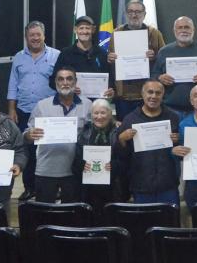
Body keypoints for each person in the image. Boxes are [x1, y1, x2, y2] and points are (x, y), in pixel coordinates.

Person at [7, 21, 60, 200]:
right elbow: (13, 84)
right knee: (27, 151)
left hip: (49, 112)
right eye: (32, 35)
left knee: (49, 150)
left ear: (44, 36)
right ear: (26, 37)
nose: (35, 38)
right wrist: (11, 109)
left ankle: (52, 187)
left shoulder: (56, 56)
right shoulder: (18, 57)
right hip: (24, 111)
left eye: (38, 34)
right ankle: (30, 188)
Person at [24, 66, 90, 204]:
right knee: (45, 215)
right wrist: (29, 135)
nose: (65, 82)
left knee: (72, 215)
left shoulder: (88, 105)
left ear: (75, 82)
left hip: (75, 170)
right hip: (46, 170)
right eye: (61, 79)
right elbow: (25, 136)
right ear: (56, 83)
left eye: (69, 79)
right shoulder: (42, 105)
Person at [114, 79, 181, 204]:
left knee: (170, 222)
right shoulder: (130, 119)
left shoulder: (173, 117)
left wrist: (178, 141)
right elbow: (121, 157)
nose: (153, 96)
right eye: (150, 92)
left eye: (158, 93)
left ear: (163, 95)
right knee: (144, 222)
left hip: (168, 184)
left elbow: (180, 151)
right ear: (142, 94)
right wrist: (121, 140)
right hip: (141, 186)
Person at [107, 0, 165, 120]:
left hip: (147, 94)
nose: (134, 15)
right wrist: (110, 58)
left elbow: (164, 61)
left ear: (144, 14)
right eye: (131, 11)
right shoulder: (117, 33)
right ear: (126, 14)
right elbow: (111, 58)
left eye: (138, 11)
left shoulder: (154, 33)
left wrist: (154, 57)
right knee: (126, 130)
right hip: (123, 94)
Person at [154, 16, 197, 119]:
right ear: (174, 30)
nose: (183, 30)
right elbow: (153, 76)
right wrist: (160, 78)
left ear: (193, 30)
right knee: (174, 136)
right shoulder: (164, 52)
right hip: (170, 109)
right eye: (180, 27)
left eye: (187, 27)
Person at [74, 98, 122, 216]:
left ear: (110, 114)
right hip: (88, 189)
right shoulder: (83, 133)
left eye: (103, 112)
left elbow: (126, 160)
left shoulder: (119, 132)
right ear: (91, 115)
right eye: (96, 113)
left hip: (113, 188)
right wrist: (82, 164)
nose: (99, 116)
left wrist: (115, 165)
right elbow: (75, 162)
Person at [49, 15, 114, 100]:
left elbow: (110, 80)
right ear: (75, 30)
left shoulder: (102, 54)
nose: (84, 31)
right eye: (81, 28)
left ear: (93, 30)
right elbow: (53, 81)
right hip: (72, 104)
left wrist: (111, 90)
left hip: (96, 107)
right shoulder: (66, 53)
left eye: (87, 28)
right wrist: (68, 88)